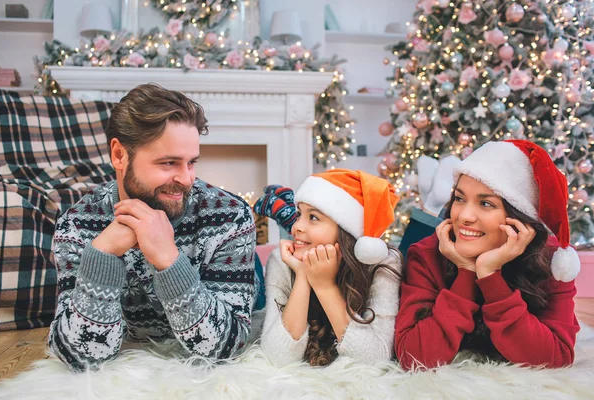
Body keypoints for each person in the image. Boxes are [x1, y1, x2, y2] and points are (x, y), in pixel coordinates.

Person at [49, 84, 258, 372]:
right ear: (119, 155)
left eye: (191, 162)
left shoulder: (229, 216)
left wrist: (169, 260)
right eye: (169, 163)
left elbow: (226, 347)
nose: (186, 179)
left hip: (238, 278)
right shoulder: (78, 224)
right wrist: (102, 255)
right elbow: (79, 356)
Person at [395, 139, 581, 370]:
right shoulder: (426, 254)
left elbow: (555, 358)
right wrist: (466, 272)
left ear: (520, 217)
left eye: (486, 203)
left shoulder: (553, 262)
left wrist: (490, 276)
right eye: (460, 199)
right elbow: (414, 357)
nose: (464, 216)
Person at [261, 169, 403, 367]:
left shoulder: (382, 264)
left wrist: (325, 286)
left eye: (313, 218)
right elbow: (277, 358)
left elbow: (375, 359)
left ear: (345, 230)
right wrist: (303, 276)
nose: (296, 228)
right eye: (299, 214)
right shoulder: (283, 261)